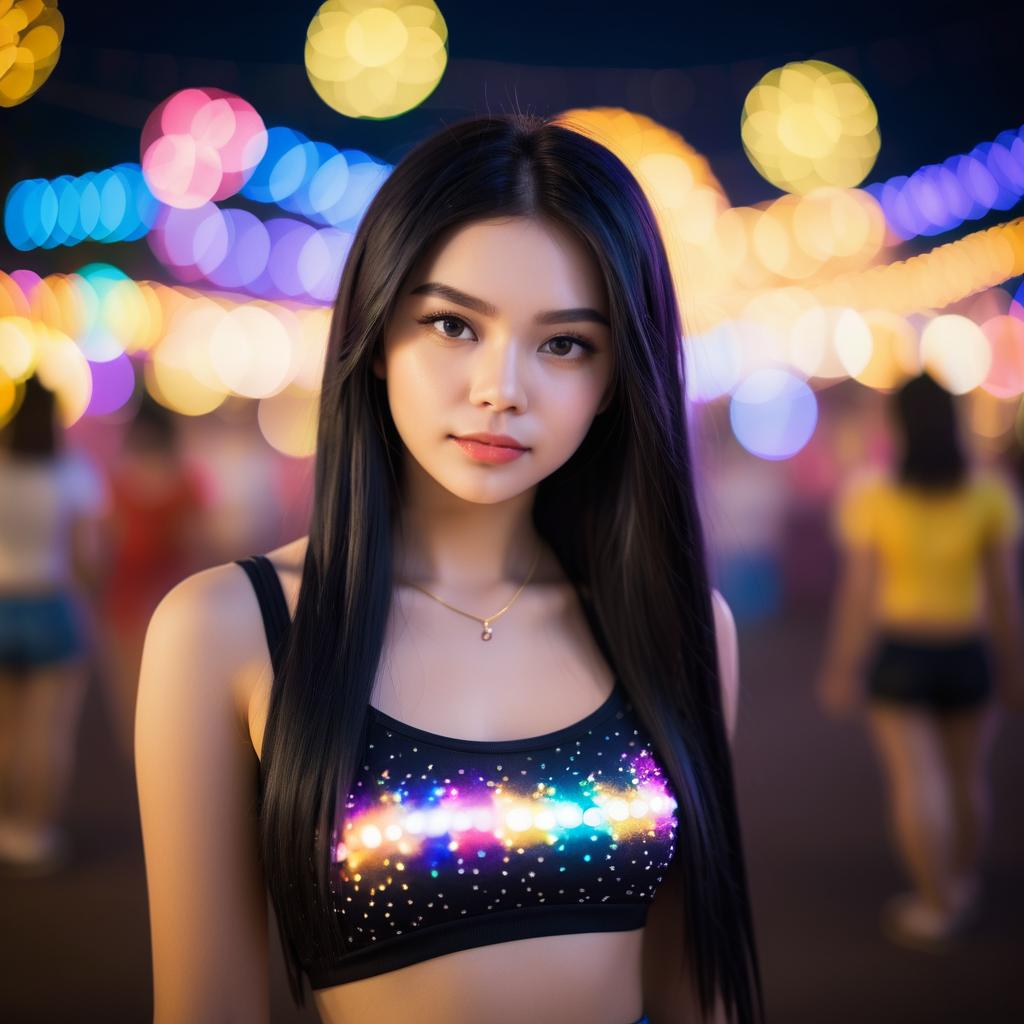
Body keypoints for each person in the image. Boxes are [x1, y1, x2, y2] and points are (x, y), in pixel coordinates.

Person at [135, 112, 765, 1024]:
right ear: (376, 332)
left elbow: (691, 994)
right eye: (452, 325)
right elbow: (204, 1007)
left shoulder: (681, 626)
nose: (500, 387)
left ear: (615, 381)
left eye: (564, 344)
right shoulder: (227, 630)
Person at [817, 371, 1024, 951]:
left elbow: (858, 593)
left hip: (901, 651)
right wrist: (1015, 667)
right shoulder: (990, 491)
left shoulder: (874, 493)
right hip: (968, 649)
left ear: (899, 422)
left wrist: (841, 667)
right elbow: (1006, 595)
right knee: (966, 781)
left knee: (917, 783)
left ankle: (935, 905)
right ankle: (960, 885)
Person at [0, 374, 108, 872]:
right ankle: (34, 831)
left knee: (7, 729)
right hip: (52, 605)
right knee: (49, 731)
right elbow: (88, 556)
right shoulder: (73, 474)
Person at [98, 393, 211, 757]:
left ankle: (137, 774)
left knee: (129, 698)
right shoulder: (187, 482)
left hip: (126, 601)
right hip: (175, 600)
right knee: (173, 696)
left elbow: (106, 545)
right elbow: (198, 543)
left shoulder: (117, 484)